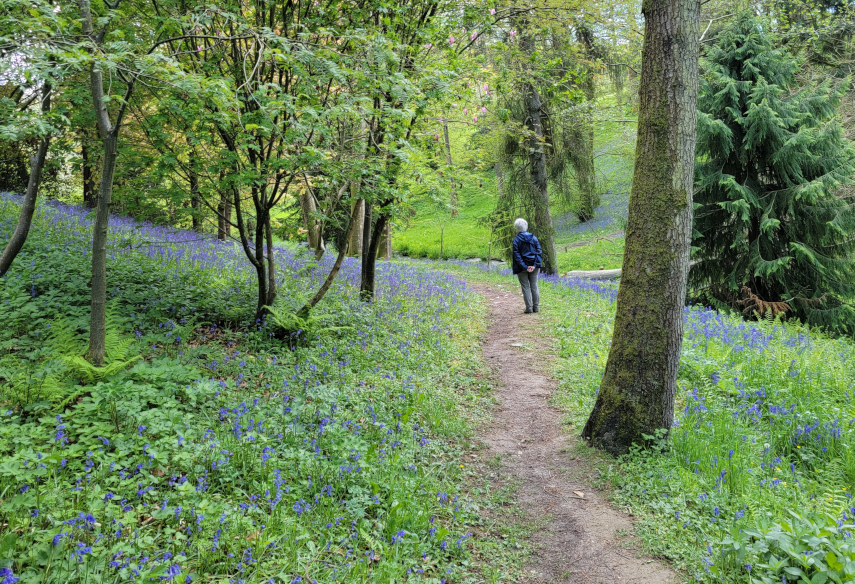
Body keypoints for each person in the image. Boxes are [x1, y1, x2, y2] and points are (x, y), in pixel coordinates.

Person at [511, 218, 542, 313]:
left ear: (516, 228)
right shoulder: (533, 238)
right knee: (534, 286)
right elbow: (539, 252)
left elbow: (517, 256)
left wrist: (525, 266)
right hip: (534, 266)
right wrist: (534, 265)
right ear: (526, 226)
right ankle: (536, 308)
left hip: (521, 268)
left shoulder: (516, 240)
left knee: (525, 287)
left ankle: (529, 308)